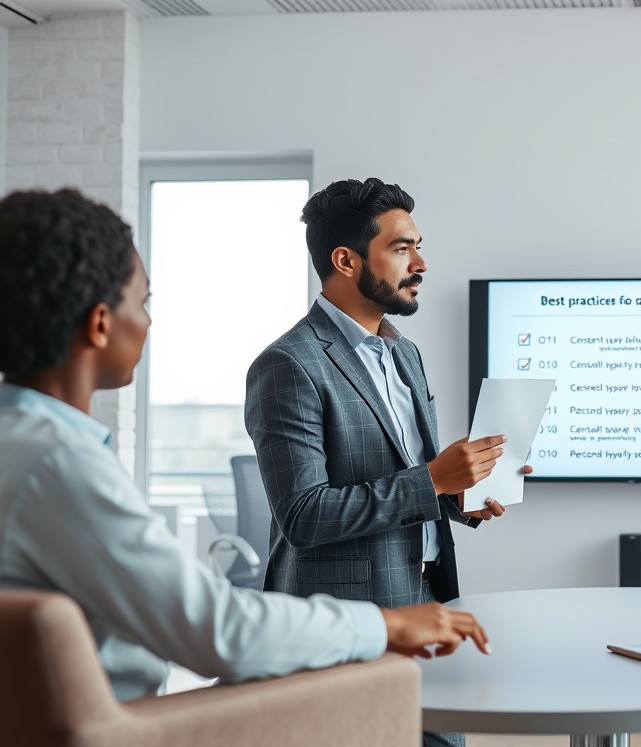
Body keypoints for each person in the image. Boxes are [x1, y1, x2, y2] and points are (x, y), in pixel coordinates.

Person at [0, 188, 491, 705]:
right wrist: (385, 624)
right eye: (143, 302)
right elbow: (213, 626)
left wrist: (449, 492)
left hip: (424, 593)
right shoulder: (61, 464)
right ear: (100, 323)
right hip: (140, 724)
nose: (148, 321)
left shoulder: (29, 446)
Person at [245, 178, 522, 747]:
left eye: (418, 246)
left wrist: (460, 495)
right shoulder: (288, 364)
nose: (420, 263)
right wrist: (434, 481)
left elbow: (409, 478)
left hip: (425, 600)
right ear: (346, 261)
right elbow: (304, 516)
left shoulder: (403, 353)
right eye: (401, 248)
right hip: (345, 619)